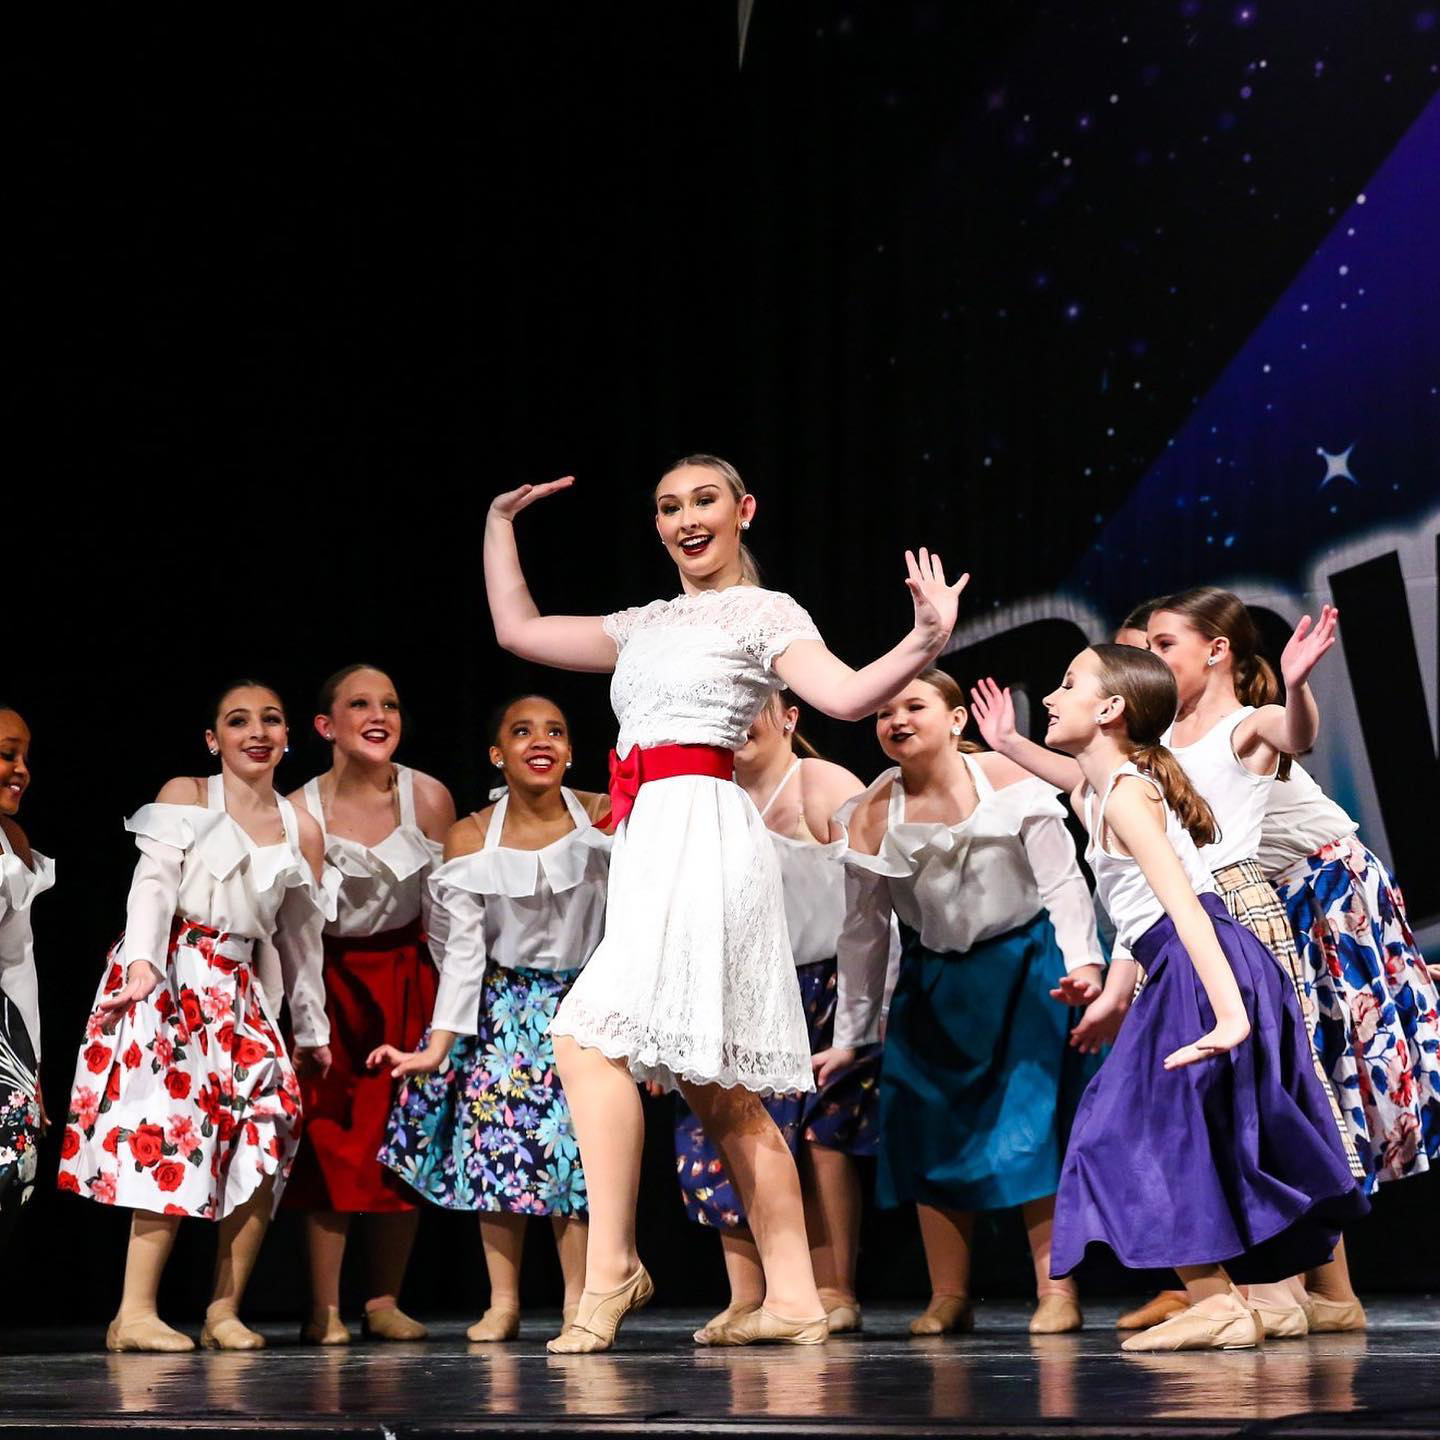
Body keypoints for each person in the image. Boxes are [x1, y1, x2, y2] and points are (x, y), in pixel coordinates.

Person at [483, 454, 967, 1351]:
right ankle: (792, 1295)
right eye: (668, 507)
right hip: (647, 837)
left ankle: (611, 1271)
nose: (686, 518)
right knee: (722, 1089)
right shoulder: (644, 624)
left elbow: (848, 695)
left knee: (585, 1035)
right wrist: (501, 521)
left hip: (703, 832)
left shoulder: (765, 611)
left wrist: (924, 639)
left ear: (743, 510)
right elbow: (518, 629)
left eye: (704, 501)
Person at [986, 644, 1366, 1352]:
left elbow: (1189, 907)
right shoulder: (1104, 789)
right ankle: (1220, 1299)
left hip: (1204, 960)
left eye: (1067, 684)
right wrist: (1006, 743)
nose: (1049, 696)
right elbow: (1075, 774)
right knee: (1158, 1134)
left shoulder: (1129, 794)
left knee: (1120, 1130)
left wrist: (1230, 1013)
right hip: (1186, 965)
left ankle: (1223, 1300)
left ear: (1110, 709)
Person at [815, 669, 1105, 1337]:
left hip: (1026, 970)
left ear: (955, 719)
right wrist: (852, 1033)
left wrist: (1083, 964)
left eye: (914, 705)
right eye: (884, 711)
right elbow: (863, 931)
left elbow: (1064, 882)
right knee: (931, 1132)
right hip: (935, 985)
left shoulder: (1009, 781)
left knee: (1033, 1132)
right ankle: (949, 1295)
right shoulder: (868, 814)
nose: (896, 720)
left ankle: (1055, 1290)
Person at [57, 681, 329, 1352]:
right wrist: (143, 964)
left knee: (269, 1128)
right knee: (170, 1132)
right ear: (215, 740)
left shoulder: (304, 829)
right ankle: (136, 1313)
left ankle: (223, 1310)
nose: (256, 731)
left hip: (239, 990)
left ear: (289, 736)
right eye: (239, 721)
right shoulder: (188, 795)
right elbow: (151, 885)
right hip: (174, 973)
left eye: (271, 719)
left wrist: (312, 1027)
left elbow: (301, 939)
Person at [374, 694, 609, 1344]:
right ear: (497, 754)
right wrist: (440, 1043)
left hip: (589, 999)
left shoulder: (605, 816)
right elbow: (462, 952)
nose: (543, 740)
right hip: (505, 1007)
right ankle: (502, 1302)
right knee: (499, 1150)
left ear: (569, 749)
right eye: (524, 730)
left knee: (579, 1156)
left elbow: (634, 923)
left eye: (556, 730)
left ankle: (580, 1302)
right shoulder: (471, 834)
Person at [672, 690, 875, 1342]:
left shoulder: (821, 784)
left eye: (754, 706)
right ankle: (748, 1296)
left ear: (789, 718)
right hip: (733, 995)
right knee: (720, 1138)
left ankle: (833, 1288)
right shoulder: (706, 796)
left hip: (818, 986)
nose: (738, 719)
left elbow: (876, 898)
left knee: (820, 1138)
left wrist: (861, 1018)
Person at [284, 664, 456, 1345]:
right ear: (328, 726)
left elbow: (447, 913)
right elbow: (294, 923)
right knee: (332, 1138)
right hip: (329, 979)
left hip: (408, 976)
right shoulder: (301, 809)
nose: (378, 714)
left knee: (401, 1134)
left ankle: (384, 1300)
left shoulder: (429, 796)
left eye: (389, 702)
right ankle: (323, 1307)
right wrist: (306, 1016)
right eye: (360, 704)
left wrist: (447, 1009)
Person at [1257, 763, 1440, 1239]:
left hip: (1323, 890)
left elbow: (1295, 727)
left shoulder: (1242, 722)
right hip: (1272, 900)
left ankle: (1317, 1286)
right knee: (1311, 1079)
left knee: (1335, 1068)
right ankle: (1319, 1284)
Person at [0, 706, 55, 1250]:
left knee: (15, 1175)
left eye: (24, 757)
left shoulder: (10, 838)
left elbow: (19, 967)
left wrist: (29, 1068)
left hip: (7, 1045)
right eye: (6, 754)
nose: (21, 770)